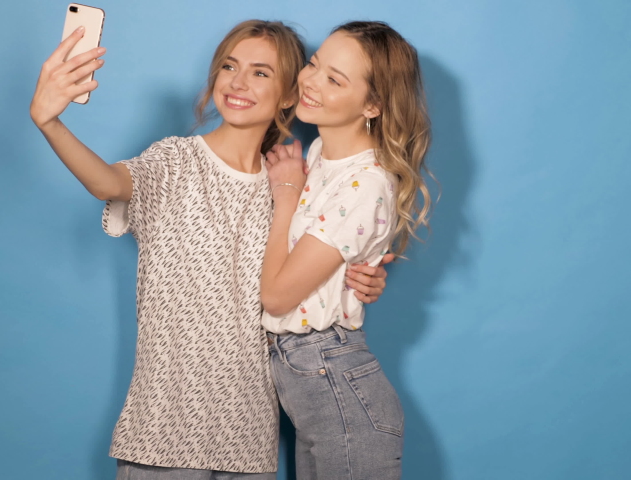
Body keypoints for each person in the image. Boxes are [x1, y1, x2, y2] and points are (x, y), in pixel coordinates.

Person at [29, 20, 392, 480]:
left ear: (287, 94)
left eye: (261, 72)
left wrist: (369, 271)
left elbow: (331, 248)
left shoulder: (290, 180)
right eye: (228, 66)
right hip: (162, 435)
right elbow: (107, 182)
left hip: (249, 439)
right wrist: (49, 121)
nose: (238, 82)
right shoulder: (175, 160)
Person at [260, 21, 432, 480]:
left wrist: (286, 195)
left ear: (372, 104)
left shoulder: (367, 183)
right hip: (313, 381)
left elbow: (277, 298)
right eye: (315, 64)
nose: (311, 81)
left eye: (335, 80)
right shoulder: (319, 152)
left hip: (334, 381)